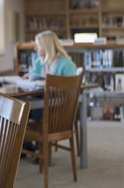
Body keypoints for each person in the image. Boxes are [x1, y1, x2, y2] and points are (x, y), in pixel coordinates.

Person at [21, 30, 77, 158]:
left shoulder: (66, 63)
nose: (35, 48)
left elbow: (71, 92)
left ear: (47, 46)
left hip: (58, 109)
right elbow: (33, 78)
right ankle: (29, 146)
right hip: (42, 104)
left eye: (38, 45)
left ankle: (35, 147)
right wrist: (29, 78)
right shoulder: (40, 61)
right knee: (21, 110)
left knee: (23, 112)